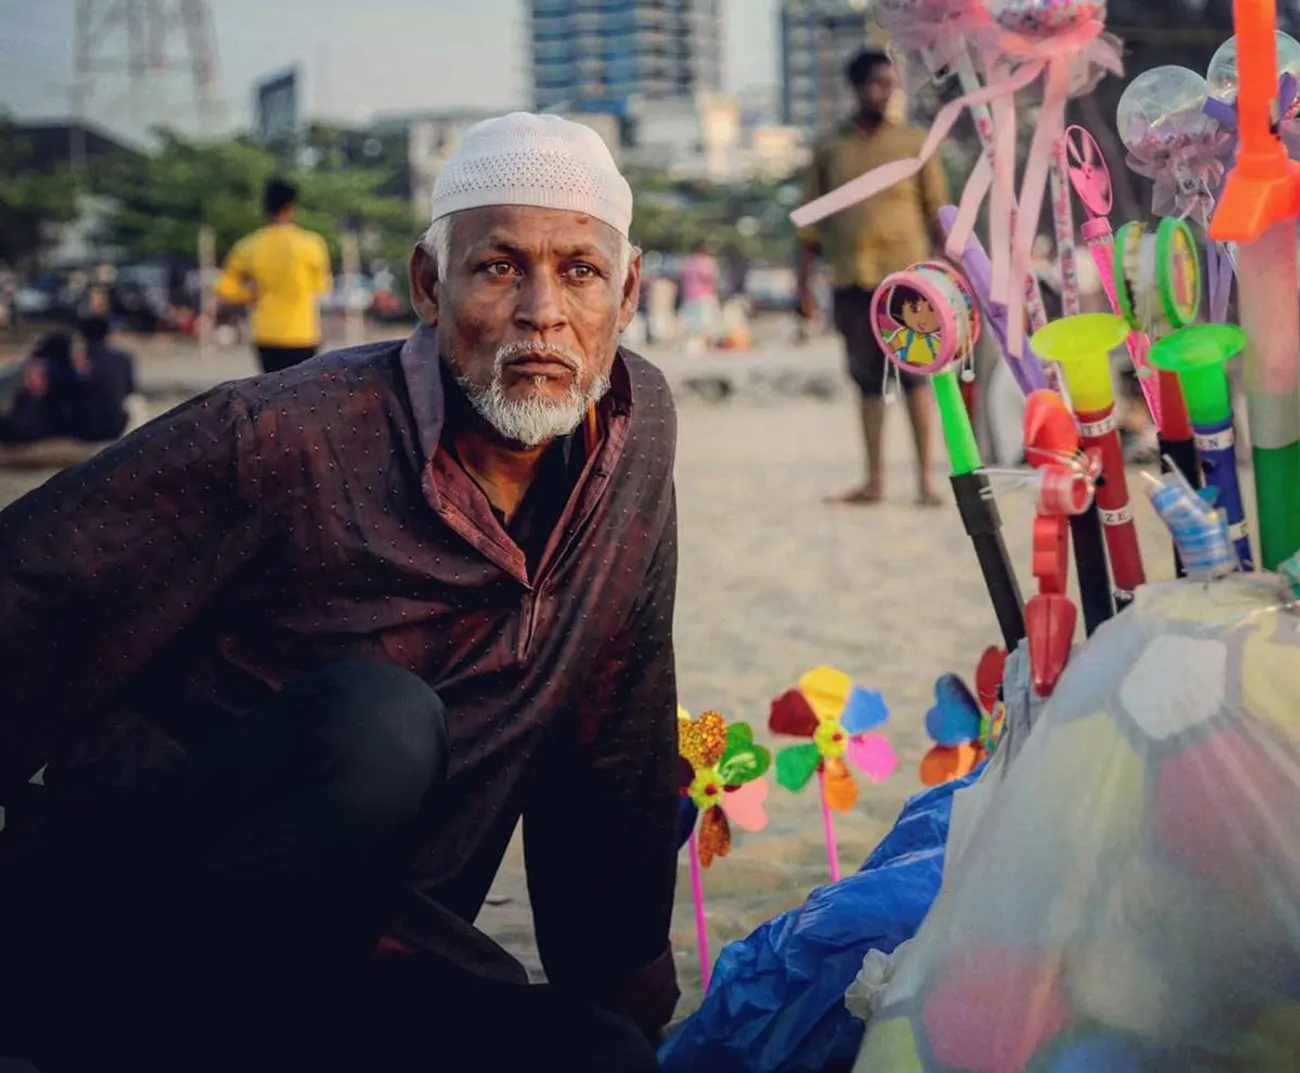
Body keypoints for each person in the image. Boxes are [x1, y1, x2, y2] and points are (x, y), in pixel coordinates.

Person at [0, 113, 676, 1073]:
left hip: (357, 963)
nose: (542, 311)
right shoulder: (281, 435)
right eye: (497, 268)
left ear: (629, 291)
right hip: (131, 936)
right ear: (429, 284)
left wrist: (622, 978)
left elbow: (619, 728)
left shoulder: (634, 436)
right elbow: (30, 590)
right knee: (378, 725)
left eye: (580, 272)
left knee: (601, 1056)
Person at [798, 48, 950, 506]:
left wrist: (947, 277)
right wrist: (803, 285)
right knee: (866, 381)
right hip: (852, 280)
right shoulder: (830, 148)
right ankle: (875, 481)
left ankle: (925, 481)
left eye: (890, 85)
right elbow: (810, 225)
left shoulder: (914, 143)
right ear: (857, 87)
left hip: (908, 285)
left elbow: (939, 213)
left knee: (916, 379)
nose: (885, 93)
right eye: (877, 84)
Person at [218, 177, 332, 374]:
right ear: (292, 207)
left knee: (272, 389)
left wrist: (251, 295)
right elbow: (321, 287)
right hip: (302, 332)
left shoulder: (249, 245)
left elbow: (225, 288)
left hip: (266, 333)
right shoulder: (311, 244)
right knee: (303, 389)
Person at [0, 314, 136, 445]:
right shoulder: (123, 358)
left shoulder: (78, 363)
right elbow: (128, 390)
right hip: (116, 425)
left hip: (85, 429)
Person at [678, 241, 721, 352]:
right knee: (704, 323)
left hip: (689, 295)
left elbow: (681, 277)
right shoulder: (707, 262)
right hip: (704, 296)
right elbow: (711, 279)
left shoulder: (688, 262)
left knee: (691, 322)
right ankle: (703, 344)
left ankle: (693, 343)